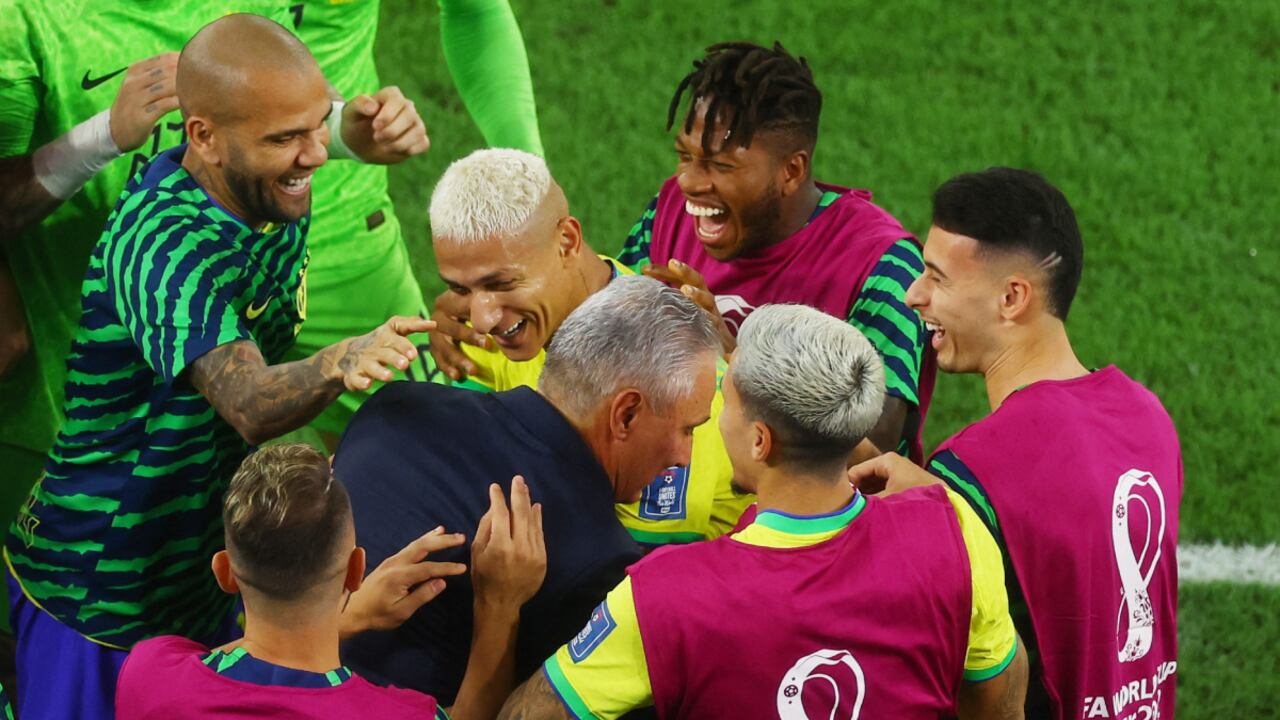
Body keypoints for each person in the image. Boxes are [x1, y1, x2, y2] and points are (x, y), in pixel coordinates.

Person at [3, 16, 434, 719]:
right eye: (285, 138)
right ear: (203, 137)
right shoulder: (164, 245)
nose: (314, 155)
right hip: (101, 585)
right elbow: (248, 401)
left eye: (315, 127)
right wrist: (340, 359)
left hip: (196, 569)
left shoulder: (266, 191)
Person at [500, 304, 1027, 719]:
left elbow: (533, 713)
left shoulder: (664, 596)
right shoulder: (953, 532)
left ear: (759, 441)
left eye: (725, 399)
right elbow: (1000, 701)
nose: (713, 418)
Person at [849, 168, 1181, 719]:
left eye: (937, 278)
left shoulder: (973, 469)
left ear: (1011, 297)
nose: (914, 295)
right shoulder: (1148, 416)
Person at [334, 276, 721, 702]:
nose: (685, 456)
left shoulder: (392, 406)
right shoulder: (596, 564)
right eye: (687, 429)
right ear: (625, 414)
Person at [619, 41, 932, 464]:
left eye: (721, 166)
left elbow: (873, 448)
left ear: (791, 170)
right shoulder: (668, 212)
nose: (690, 181)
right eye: (685, 156)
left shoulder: (881, 263)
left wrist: (734, 359)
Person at [425, 148, 749, 546]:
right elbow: (458, 478)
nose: (481, 318)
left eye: (501, 284)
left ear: (567, 241)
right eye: (460, 289)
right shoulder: (483, 329)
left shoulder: (666, 368)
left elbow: (631, 564)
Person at [116, 443, 546, 720]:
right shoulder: (399, 714)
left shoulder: (147, 673)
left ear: (224, 572)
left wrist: (347, 618)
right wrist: (499, 605)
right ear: (357, 570)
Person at [282, 0, 545, 445]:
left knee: (432, 453)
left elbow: (474, 11)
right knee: (177, 472)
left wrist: (531, 188)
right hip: (182, 240)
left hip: (344, 239)